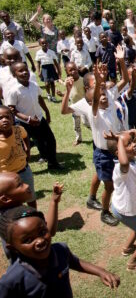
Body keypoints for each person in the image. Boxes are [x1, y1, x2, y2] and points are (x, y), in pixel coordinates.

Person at [61, 56, 129, 226]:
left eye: (104, 92)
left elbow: (124, 81)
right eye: (99, 90)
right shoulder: (92, 108)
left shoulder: (109, 97)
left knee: (107, 177)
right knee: (109, 185)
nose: (103, 94)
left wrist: (120, 62)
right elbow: (65, 110)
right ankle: (105, 212)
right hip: (103, 152)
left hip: (114, 149)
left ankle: (95, 199)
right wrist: (68, 91)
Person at [0, 206, 120, 296]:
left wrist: (101, 272)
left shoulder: (60, 250)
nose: (40, 241)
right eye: (28, 240)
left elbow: (74, 262)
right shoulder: (12, 280)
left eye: (42, 232)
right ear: (13, 248)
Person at [105, 130, 136, 270]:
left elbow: (129, 152)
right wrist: (120, 141)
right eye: (128, 144)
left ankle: (127, 248)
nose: (133, 144)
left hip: (122, 205)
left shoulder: (130, 159)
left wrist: (134, 144)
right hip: (126, 210)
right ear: (119, 152)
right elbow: (124, 162)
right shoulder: (121, 168)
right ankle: (132, 262)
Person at [6, 62, 62, 170]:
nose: (25, 72)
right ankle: (23, 168)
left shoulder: (34, 85)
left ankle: (52, 163)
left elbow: (39, 98)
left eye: (25, 69)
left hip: (39, 118)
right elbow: (12, 109)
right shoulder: (14, 90)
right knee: (23, 146)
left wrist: (47, 112)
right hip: (24, 123)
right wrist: (27, 119)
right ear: (14, 75)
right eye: (20, 71)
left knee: (50, 140)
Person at [0, 106, 36, 208]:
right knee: (10, 202)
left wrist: (27, 151)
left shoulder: (19, 130)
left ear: (13, 118)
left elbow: (25, 136)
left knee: (30, 196)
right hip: (6, 179)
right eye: (0, 118)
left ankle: (34, 215)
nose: (4, 120)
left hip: (24, 170)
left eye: (7, 117)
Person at [63, 62, 87, 146]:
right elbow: (69, 93)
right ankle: (78, 138)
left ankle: (96, 133)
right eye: (70, 70)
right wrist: (62, 94)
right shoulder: (69, 82)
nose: (73, 71)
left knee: (86, 123)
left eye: (74, 69)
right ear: (67, 72)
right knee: (76, 125)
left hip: (84, 106)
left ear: (77, 69)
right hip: (74, 107)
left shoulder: (83, 80)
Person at [35, 38, 61, 102]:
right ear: (40, 44)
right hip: (44, 68)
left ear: (47, 44)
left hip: (51, 67)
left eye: (45, 43)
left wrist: (58, 70)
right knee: (46, 83)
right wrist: (38, 71)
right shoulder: (38, 53)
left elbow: (55, 62)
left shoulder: (51, 52)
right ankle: (48, 94)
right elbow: (38, 63)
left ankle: (53, 96)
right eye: (42, 43)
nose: (44, 44)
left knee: (52, 82)